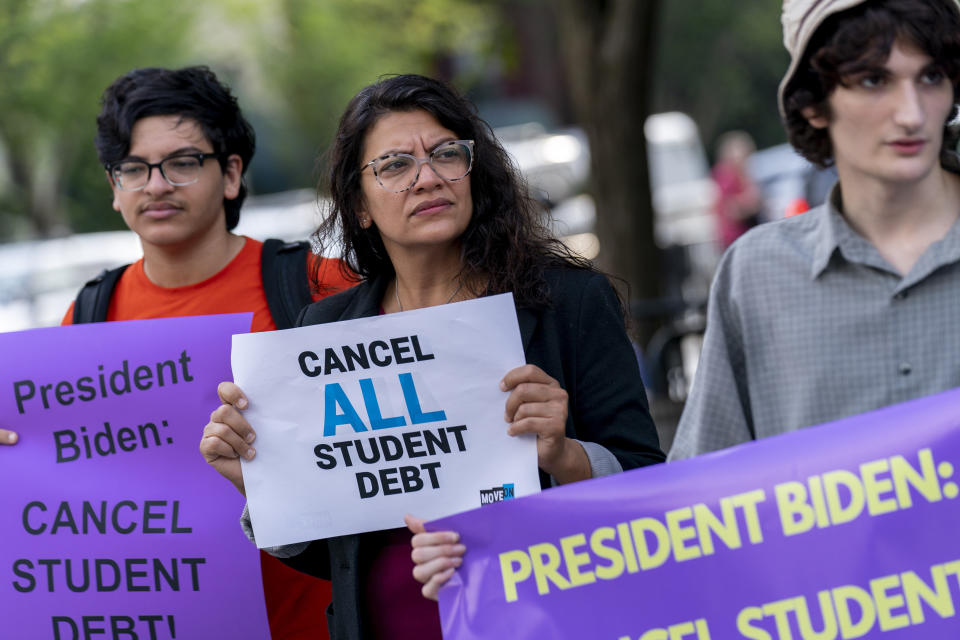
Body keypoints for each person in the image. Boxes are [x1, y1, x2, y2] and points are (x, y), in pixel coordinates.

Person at [200, 74, 665, 639]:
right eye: (395, 165)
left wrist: (564, 456)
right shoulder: (326, 329)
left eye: (447, 153)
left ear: (475, 172)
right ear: (360, 205)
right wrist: (264, 484)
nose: (428, 177)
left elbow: (647, 494)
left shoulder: (568, 304)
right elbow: (338, 559)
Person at [1, 66, 353, 639]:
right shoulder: (88, 317)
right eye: (133, 169)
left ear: (232, 174)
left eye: (182, 163)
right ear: (114, 189)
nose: (156, 185)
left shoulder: (318, 287)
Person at [669, 0, 960, 460]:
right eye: (874, 80)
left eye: (931, 77)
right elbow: (701, 496)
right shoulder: (758, 275)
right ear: (813, 105)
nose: (911, 113)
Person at [711, 130, 764, 248]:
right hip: (735, 238)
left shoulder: (742, 173)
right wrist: (750, 203)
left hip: (744, 236)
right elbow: (731, 209)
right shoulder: (727, 175)